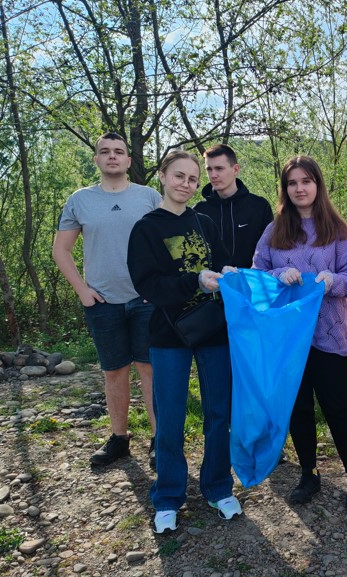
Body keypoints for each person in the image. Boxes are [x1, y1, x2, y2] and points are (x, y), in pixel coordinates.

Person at [127, 151, 241, 534]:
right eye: (179, 176)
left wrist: (228, 273)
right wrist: (193, 281)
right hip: (168, 335)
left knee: (219, 413)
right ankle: (168, 496)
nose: (187, 184)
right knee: (170, 418)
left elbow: (223, 263)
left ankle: (217, 487)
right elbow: (148, 285)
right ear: (162, 176)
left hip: (212, 330)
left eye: (193, 179)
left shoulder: (204, 222)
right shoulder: (145, 228)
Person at [253, 155, 347, 509]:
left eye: (306, 181)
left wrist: (332, 280)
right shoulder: (275, 230)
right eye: (292, 183)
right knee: (298, 407)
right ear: (285, 189)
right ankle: (309, 473)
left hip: (328, 334)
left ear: (318, 185)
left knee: (337, 407)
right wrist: (276, 277)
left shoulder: (338, 230)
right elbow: (256, 275)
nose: (299, 188)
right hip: (287, 338)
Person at [53, 132, 159, 468]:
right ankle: (119, 438)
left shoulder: (150, 197)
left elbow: (168, 246)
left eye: (119, 152)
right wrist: (83, 291)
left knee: (149, 369)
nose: (112, 156)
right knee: (114, 371)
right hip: (102, 302)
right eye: (105, 152)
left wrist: (161, 288)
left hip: (146, 302)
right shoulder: (80, 200)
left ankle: (160, 440)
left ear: (128, 161)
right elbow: (61, 250)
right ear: (96, 159)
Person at [194, 144, 274, 269]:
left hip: (251, 284)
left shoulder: (259, 207)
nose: (213, 175)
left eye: (219, 168)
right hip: (212, 285)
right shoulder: (199, 211)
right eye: (209, 169)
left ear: (236, 169)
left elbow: (270, 252)